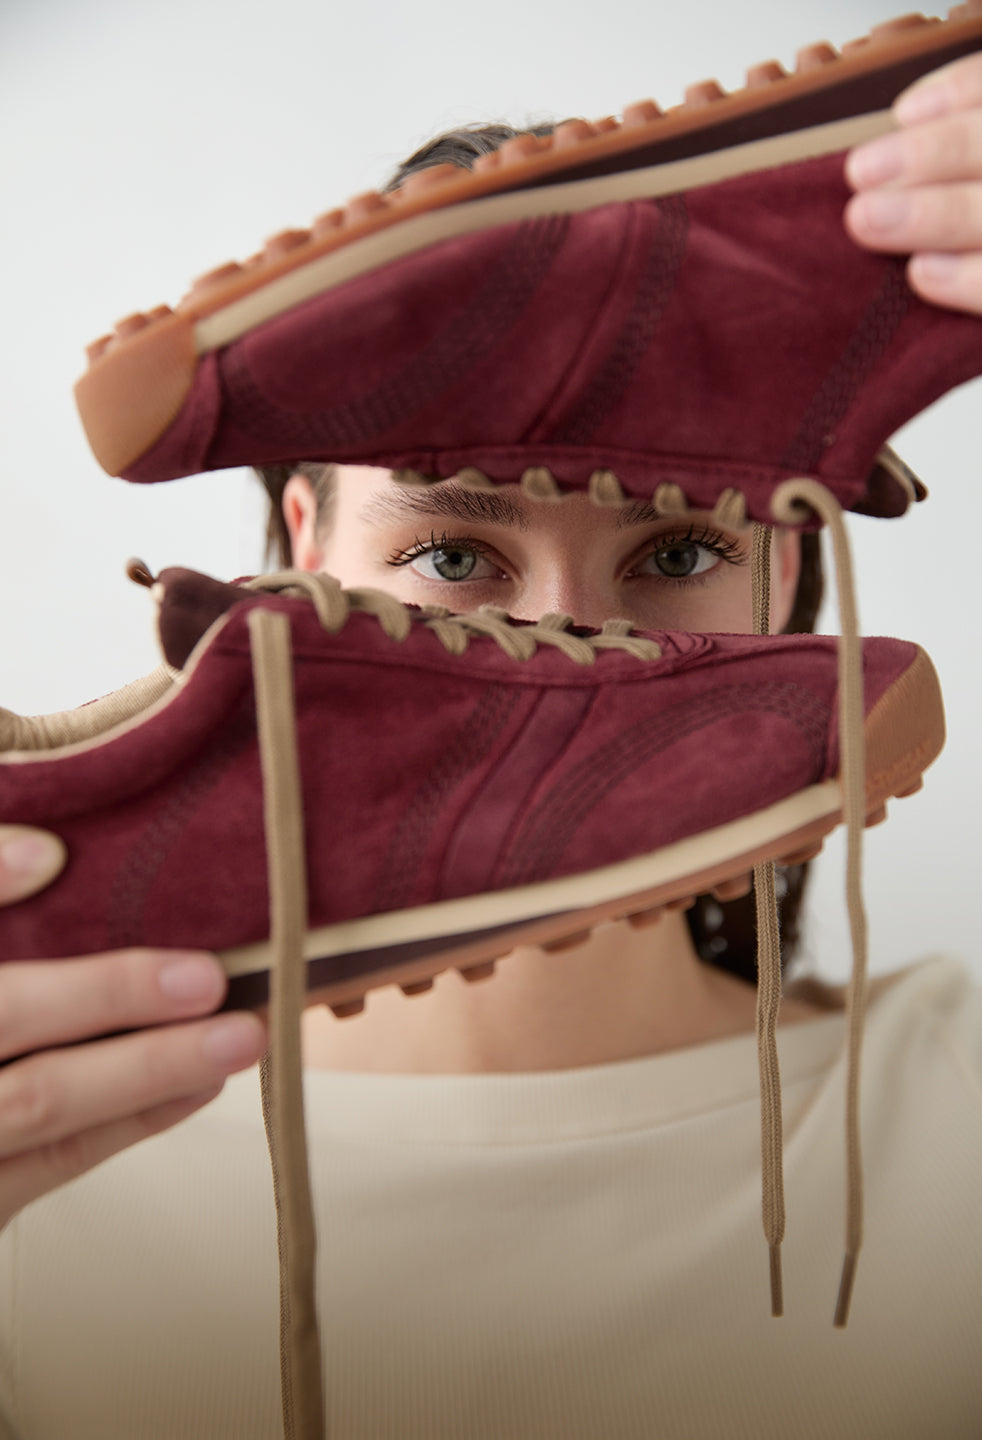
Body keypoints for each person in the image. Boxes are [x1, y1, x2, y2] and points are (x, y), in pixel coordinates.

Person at [0, 50, 981, 1440]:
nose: (571, 640)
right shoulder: (46, 1150)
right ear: (305, 552)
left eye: (680, 552)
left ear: (787, 583)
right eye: (453, 554)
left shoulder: (957, 1093)